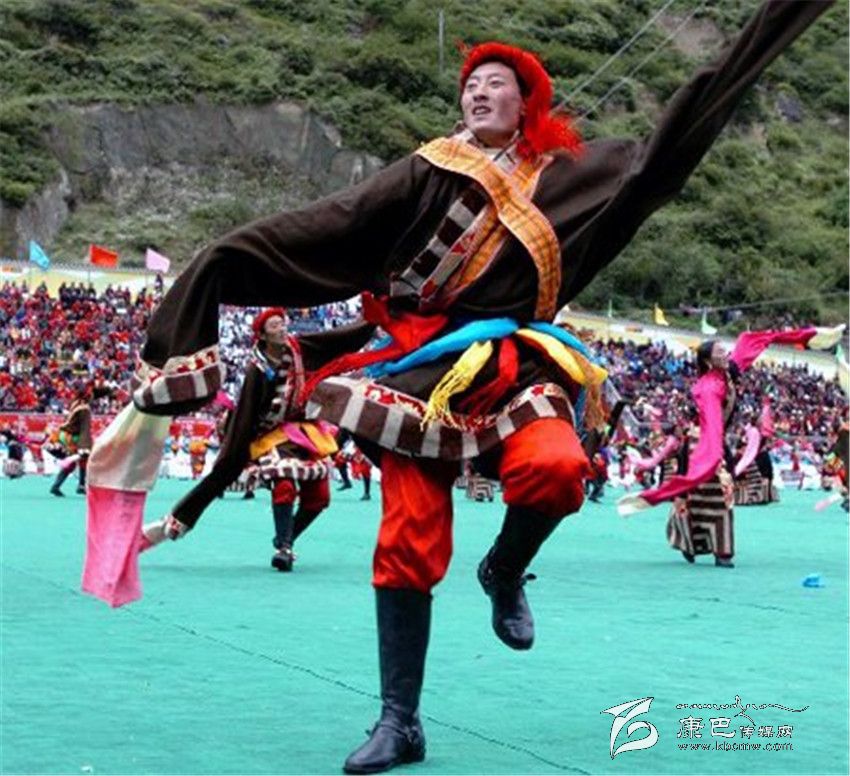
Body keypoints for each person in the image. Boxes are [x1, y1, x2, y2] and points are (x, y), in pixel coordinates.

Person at [85, 4, 834, 772]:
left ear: (527, 102)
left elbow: (663, 154)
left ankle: (503, 569)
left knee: (558, 470)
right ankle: (399, 721)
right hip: (416, 370)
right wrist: (220, 261)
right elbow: (332, 221)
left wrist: (763, 35)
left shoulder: (572, 177)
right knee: (407, 535)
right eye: (471, 84)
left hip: (516, 362)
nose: (478, 92)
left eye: (496, 83)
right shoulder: (428, 168)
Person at [141, 309, 373, 571]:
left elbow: (336, 339)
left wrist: (372, 320)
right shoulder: (257, 369)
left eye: (283, 323)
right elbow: (246, 414)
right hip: (270, 434)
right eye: (275, 326)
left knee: (320, 497)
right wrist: (235, 455)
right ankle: (284, 548)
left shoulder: (299, 348)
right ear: (262, 335)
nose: (282, 328)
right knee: (284, 483)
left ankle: (287, 537)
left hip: (305, 430)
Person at [619, 327, 844, 567]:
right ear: (708, 361)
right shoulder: (708, 388)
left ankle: (722, 551)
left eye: (725, 350)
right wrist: (714, 451)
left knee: (724, 494)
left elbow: (750, 344)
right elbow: (713, 421)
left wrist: (811, 334)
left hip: (717, 440)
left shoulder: (729, 372)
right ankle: (689, 542)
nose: (726, 354)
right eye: (719, 352)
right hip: (701, 444)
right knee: (696, 496)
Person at [49, 385, 93, 496]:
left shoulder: (75, 403)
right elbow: (85, 428)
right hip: (74, 437)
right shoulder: (84, 408)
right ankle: (80, 485)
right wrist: (85, 445)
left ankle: (58, 486)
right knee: (82, 459)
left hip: (65, 434)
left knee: (75, 461)